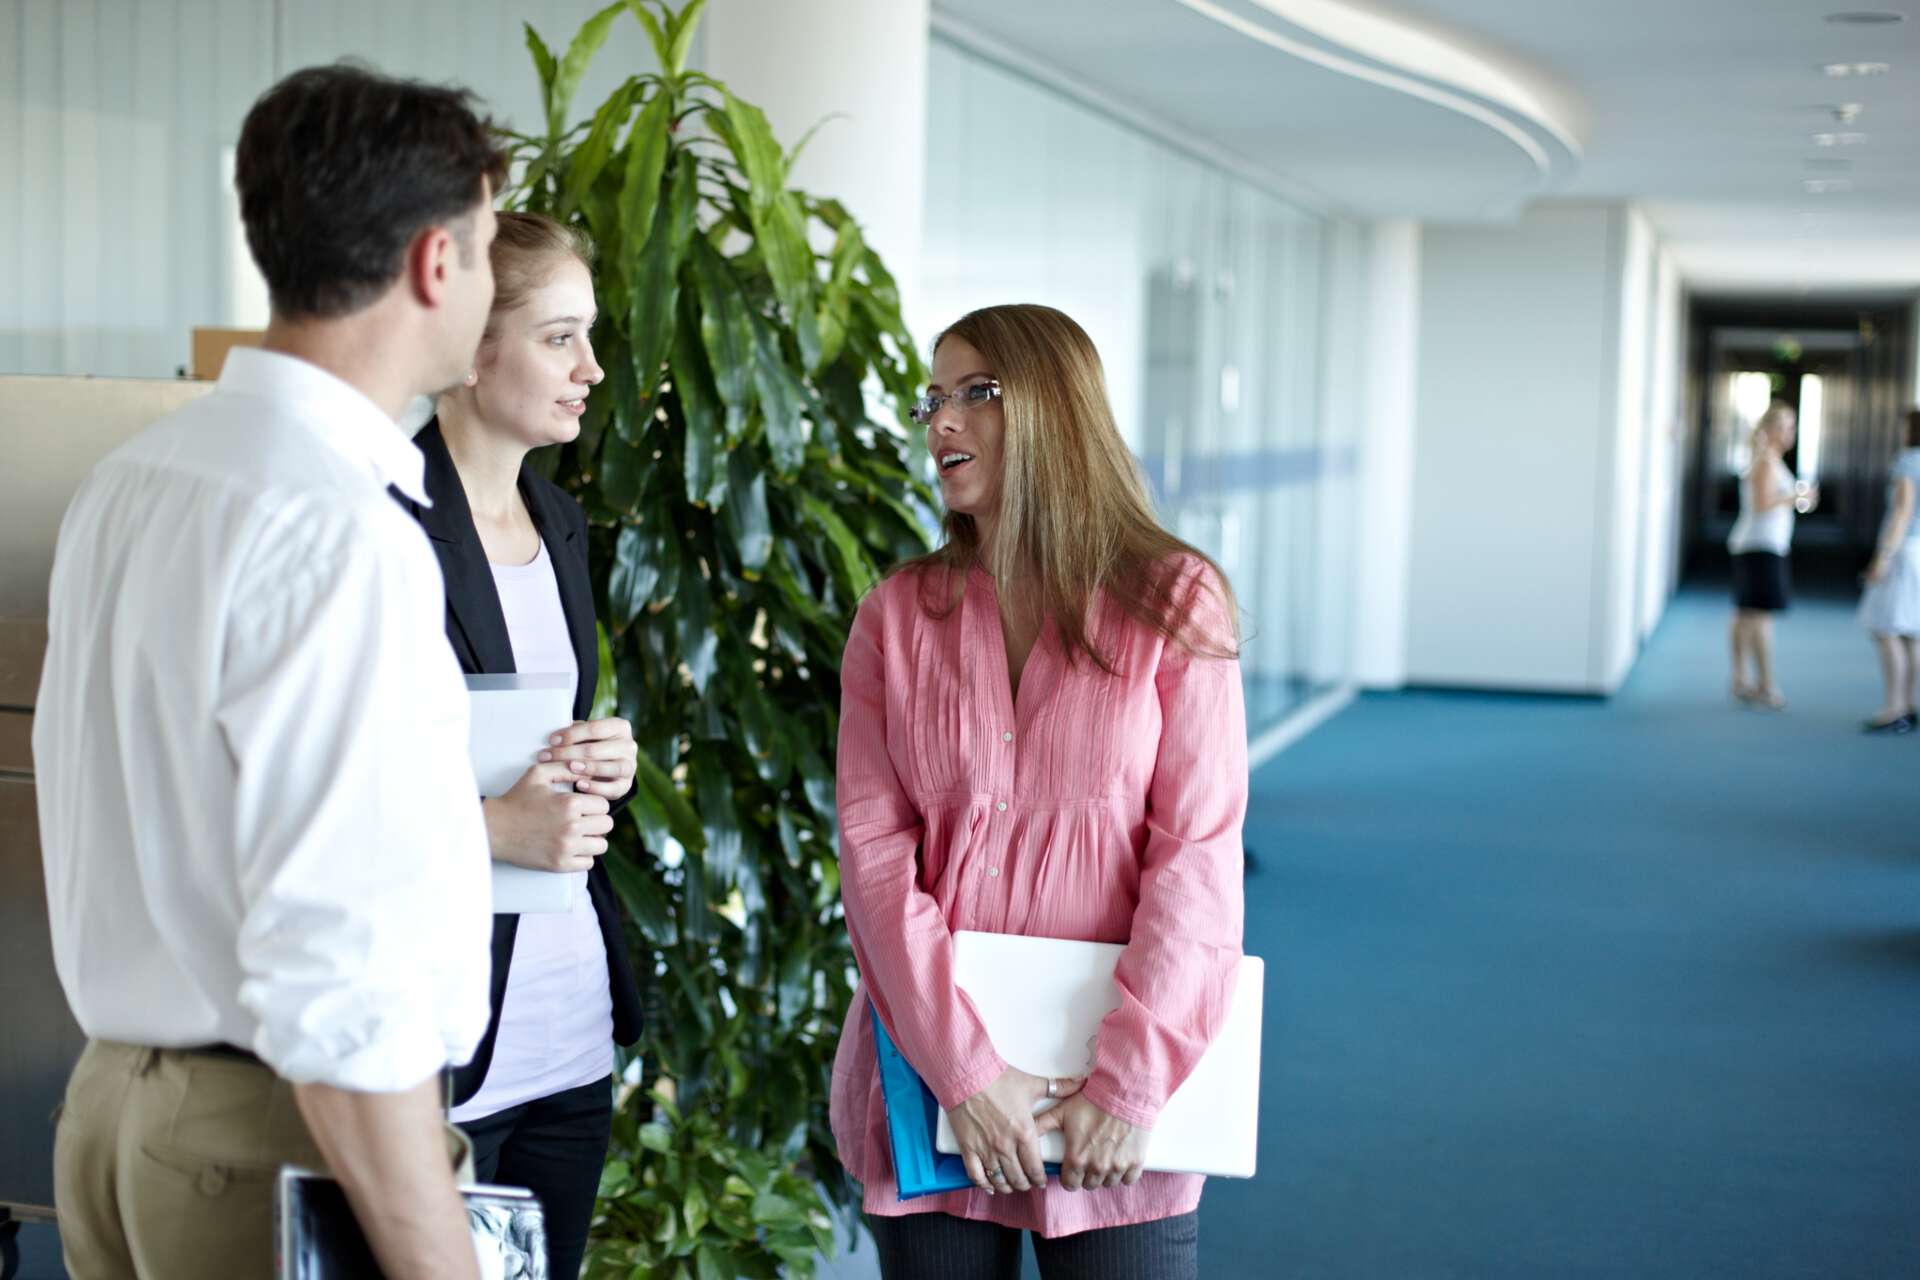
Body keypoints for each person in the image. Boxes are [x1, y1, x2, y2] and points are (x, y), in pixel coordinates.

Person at [33, 66, 506, 1279]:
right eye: (493, 245)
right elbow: (342, 975)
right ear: (433, 262)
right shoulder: (344, 530)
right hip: (263, 1139)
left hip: (109, 1110)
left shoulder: (140, 477)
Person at [830, 304, 1247, 1279]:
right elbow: (875, 855)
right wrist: (965, 1072)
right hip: (935, 1085)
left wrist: (1133, 1080)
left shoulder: (1173, 600)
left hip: (1116, 1091)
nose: (941, 421)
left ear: (1058, 410)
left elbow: (1197, 855)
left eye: (977, 392)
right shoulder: (896, 616)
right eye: (933, 397)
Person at [393, 210, 645, 1280]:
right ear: (471, 343)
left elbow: (530, 746)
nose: (591, 368)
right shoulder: (388, 519)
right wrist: (498, 823)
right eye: (559, 336)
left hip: (570, 1035)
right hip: (449, 1047)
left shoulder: (563, 521)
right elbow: (334, 791)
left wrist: (608, 766)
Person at [1727, 402, 1814, 710]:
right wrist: (1797, 497)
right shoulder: (1766, 460)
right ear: (1771, 429)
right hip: (1761, 545)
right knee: (1759, 616)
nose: (1792, 432)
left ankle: (1741, 680)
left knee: (1746, 614)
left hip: (1757, 543)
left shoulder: (1769, 459)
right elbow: (1764, 503)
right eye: (1787, 426)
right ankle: (1765, 685)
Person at [1856, 408, 1920, 733]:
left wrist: (1883, 557)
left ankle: (1894, 707)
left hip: (1903, 552)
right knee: (1911, 630)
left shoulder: (1908, 461)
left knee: (1885, 627)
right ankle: (1909, 705)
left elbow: (1902, 513)